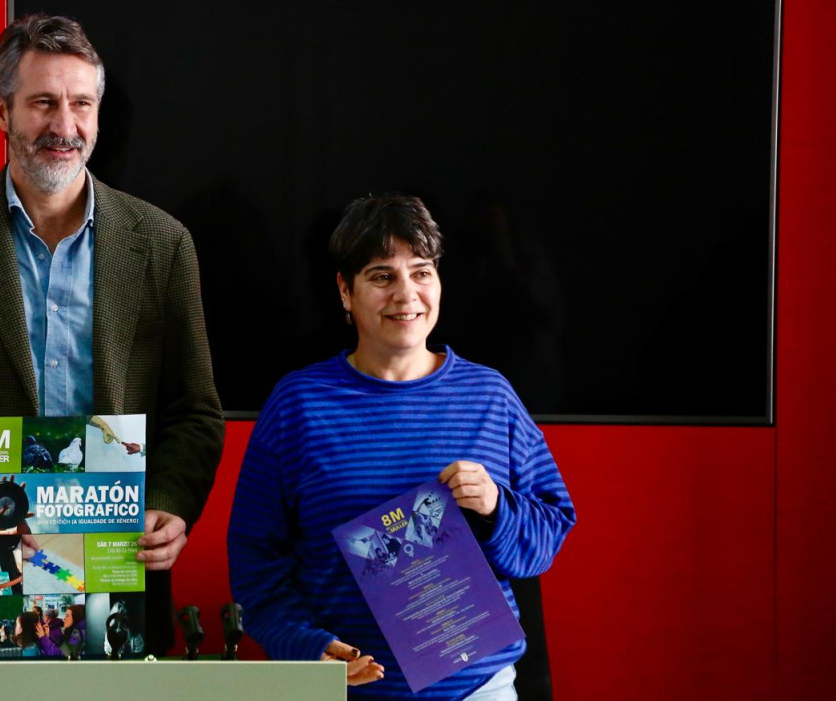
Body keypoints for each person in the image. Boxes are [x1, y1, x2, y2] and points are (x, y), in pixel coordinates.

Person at [0, 14, 225, 653]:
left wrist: (170, 500)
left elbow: (194, 413)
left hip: (116, 561)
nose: (65, 126)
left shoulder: (162, 243)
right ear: (2, 111)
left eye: (81, 103)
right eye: (43, 103)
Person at [227, 195, 576, 700]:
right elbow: (256, 560)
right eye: (382, 276)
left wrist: (498, 507)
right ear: (345, 291)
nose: (407, 293)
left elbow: (550, 530)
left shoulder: (490, 396)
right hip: (342, 690)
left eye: (422, 272)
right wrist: (306, 646)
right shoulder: (298, 404)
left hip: (478, 689)